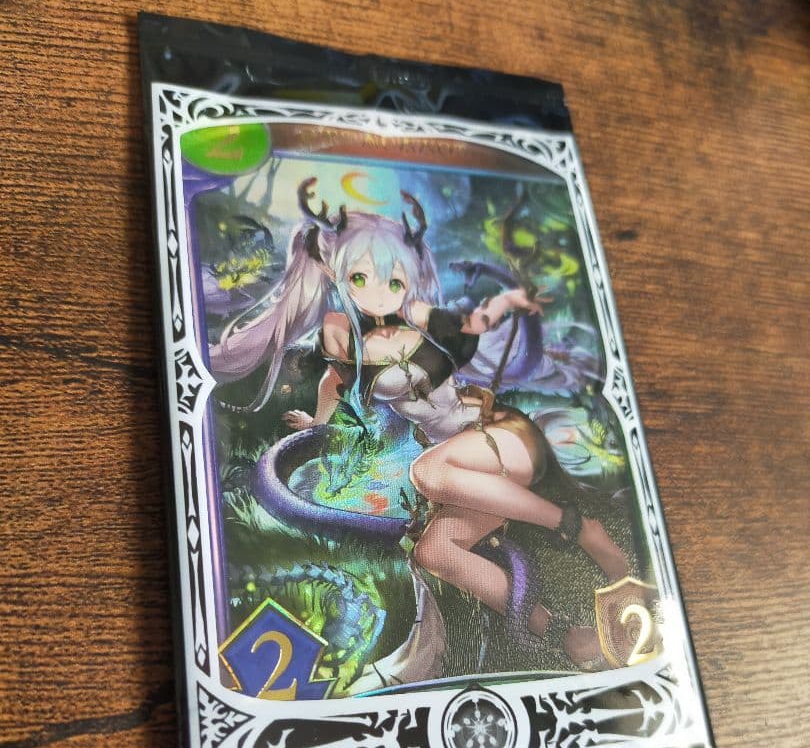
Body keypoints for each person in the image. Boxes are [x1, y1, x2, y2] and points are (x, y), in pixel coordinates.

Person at [210, 179, 628, 665]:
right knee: (434, 553)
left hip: (497, 436)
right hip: (472, 479)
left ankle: (577, 527)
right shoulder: (347, 341)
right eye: (360, 278)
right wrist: (315, 429)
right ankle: (565, 632)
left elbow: (474, 325)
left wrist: (510, 302)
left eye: (394, 281)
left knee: (425, 471)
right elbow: (332, 385)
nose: (379, 293)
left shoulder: (419, 316)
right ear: (335, 273)